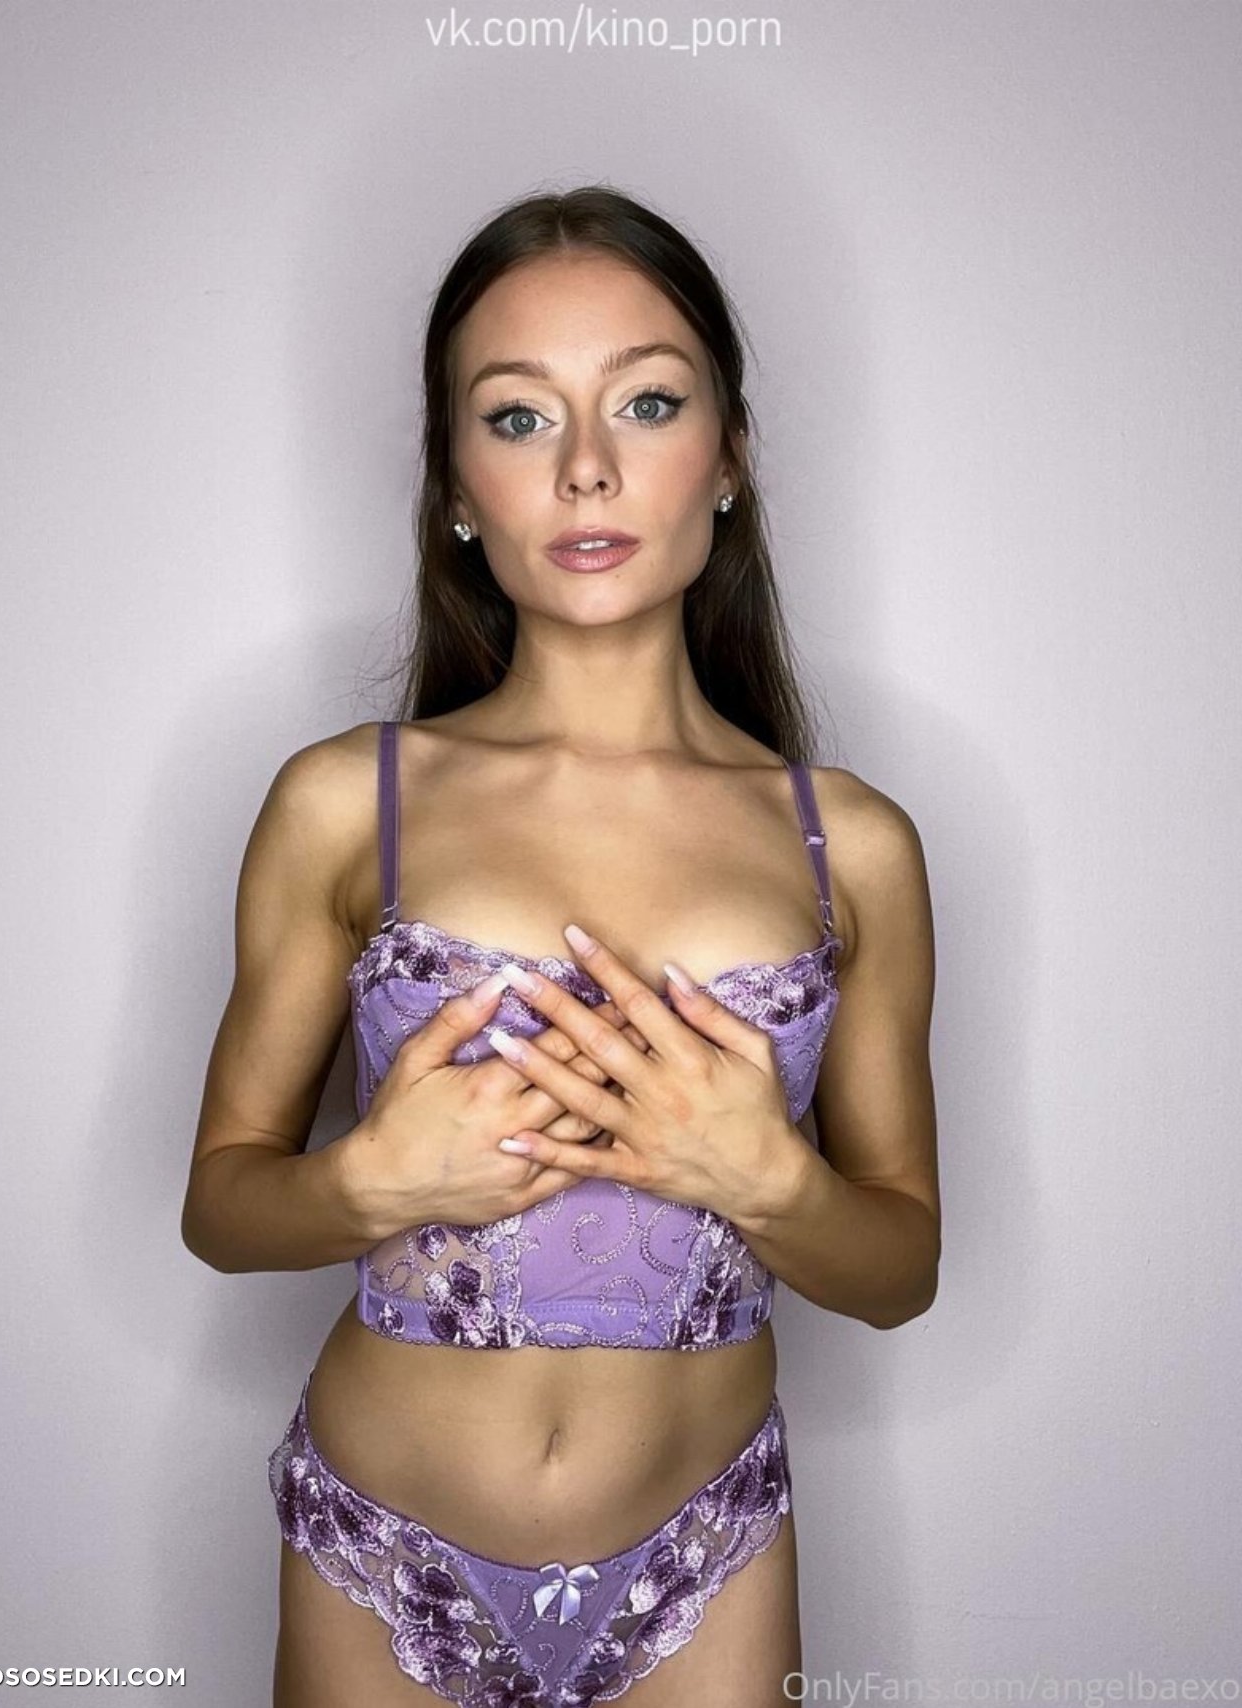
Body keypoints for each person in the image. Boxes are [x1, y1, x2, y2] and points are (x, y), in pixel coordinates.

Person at [181, 185, 940, 1708]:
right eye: (519, 417)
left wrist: (769, 1180)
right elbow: (221, 1206)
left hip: (705, 1554)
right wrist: (367, 1184)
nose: (587, 466)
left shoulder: (849, 844)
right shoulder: (345, 804)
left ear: (730, 458)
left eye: (648, 403)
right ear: (456, 485)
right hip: (381, 1544)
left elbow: (900, 1269)